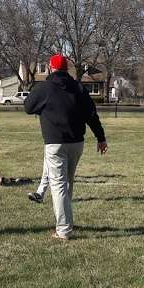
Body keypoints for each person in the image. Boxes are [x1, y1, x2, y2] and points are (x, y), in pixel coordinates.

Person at [24, 53, 107, 241]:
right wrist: (100, 137)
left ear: (51, 68)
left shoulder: (44, 87)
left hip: (55, 143)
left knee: (58, 186)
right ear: (67, 68)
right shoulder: (78, 87)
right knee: (67, 183)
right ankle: (66, 221)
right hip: (77, 142)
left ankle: (63, 229)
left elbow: (29, 107)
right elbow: (91, 115)